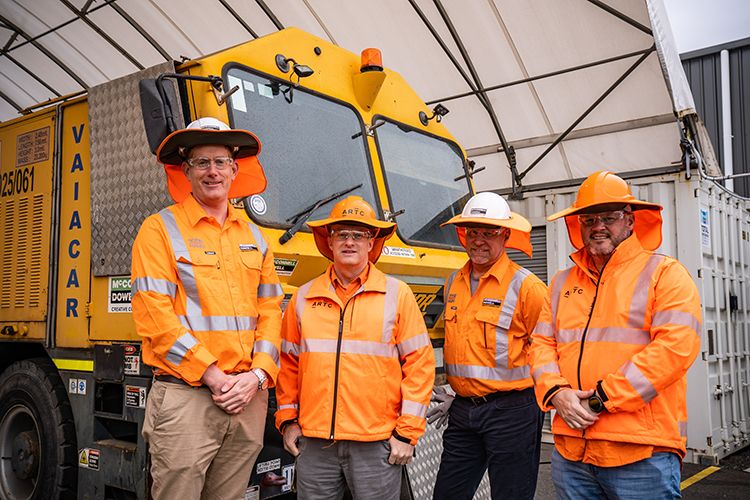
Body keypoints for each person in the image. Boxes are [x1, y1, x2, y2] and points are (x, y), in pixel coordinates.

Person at [131, 117, 283, 499]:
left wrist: (257, 377)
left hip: (247, 398)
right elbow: (155, 316)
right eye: (202, 162)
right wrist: (214, 377)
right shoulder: (159, 229)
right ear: (187, 170)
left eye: (220, 162)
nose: (212, 171)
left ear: (235, 169)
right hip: (188, 399)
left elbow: (270, 312)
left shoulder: (255, 236)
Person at [529, 171, 701, 499]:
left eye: (609, 217)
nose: (598, 226)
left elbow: (674, 350)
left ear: (630, 221)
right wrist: (557, 394)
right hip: (571, 454)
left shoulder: (665, 274)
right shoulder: (561, 283)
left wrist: (600, 399)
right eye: (589, 218)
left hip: (640, 454)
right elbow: (541, 344)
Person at [275, 196, 435, 500]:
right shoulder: (303, 298)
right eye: (342, 234)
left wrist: (407, 434)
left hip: (376, 445)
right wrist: (288, 422)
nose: (350, 242)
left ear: (371, 242)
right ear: (330, 241)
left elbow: (420, 366)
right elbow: (288, 365)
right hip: (315, 444)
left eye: (359, 234)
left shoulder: (397, 295)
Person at [430, 192, 547, 500]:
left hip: (513, 412)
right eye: (473, 232)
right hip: (463, 411)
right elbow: (462, 344)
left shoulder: (528, 287)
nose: (479, 240)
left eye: (489, 232)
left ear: (505, 235)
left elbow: (550, 351)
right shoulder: (452, 282)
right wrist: (457, 392)